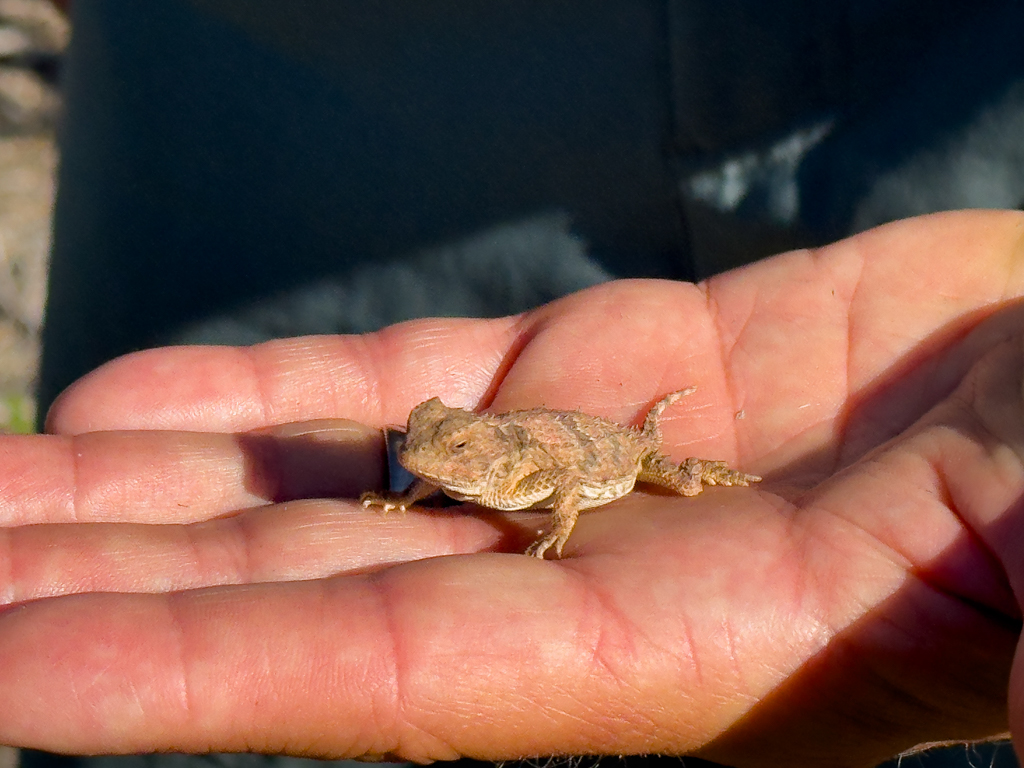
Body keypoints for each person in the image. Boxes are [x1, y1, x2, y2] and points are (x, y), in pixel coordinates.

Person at [0, 210, 1022, 767]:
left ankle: (700, 462)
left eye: (436, 456)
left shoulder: (524, 471)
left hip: (606, 458)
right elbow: (443, 461)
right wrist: (409, 497)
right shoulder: (461, 456)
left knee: (674, 474)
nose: (426, 455)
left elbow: (567, 486)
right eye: (424, 448)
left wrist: (556, 528)